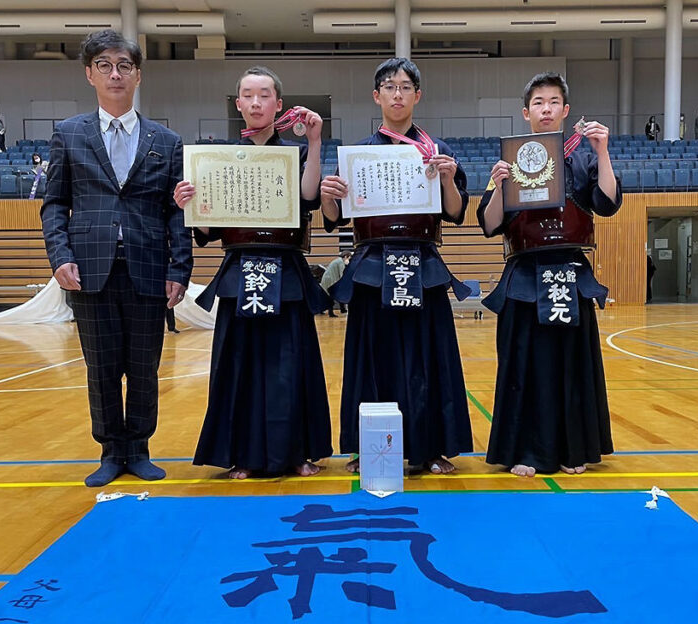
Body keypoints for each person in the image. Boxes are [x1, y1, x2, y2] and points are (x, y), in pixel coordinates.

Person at [41, 29, 192, 487]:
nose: (115, 73)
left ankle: (140, 447)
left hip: (148, 267)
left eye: (124, 65)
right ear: (90, 74)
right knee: (102, 366)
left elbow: (177, 213)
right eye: (104, 65)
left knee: (144, 366)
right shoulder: (68, 134)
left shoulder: (166, 140)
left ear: (138, 75)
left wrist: (179, 269)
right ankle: (110, 450)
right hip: (90, 270)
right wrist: (59, 255)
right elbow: (53, 204)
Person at [173, 65, 331, 480]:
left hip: (287, 269)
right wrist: (186, 201)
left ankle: (296, 452)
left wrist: (314, 142)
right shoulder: (217, 160)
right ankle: (242, 455)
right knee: (239, 365)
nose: (257, 102)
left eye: (265, 96)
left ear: (278, 105)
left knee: (290, 365)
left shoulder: (295, 154)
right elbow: (206, 230)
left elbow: (309, 197)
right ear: (238, 105)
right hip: (239, 270)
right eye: (248, 95)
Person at [320, 57, 473, 475]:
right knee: (372, 358)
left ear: (417, 95)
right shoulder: (358, 154)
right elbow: (333, 219)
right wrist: (329, 193)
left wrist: (447, 177)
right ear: (377, 96)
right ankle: (366, 447)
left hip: (422, 263)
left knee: (429, 356)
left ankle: (431, 447)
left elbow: (457, 214)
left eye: (406, 87)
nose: (397, 94)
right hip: (373, 266)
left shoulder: (438, 152)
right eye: (389, 87)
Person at [477, 71, 622, 477]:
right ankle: (525, 449)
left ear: (565, 110)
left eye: (553, 102)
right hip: (524, 273)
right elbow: (489, 225)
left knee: (570, 366)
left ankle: (570, 449)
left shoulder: (584, 156)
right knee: (524, 367)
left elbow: (608, 204)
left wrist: (604, 150)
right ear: (527, 113)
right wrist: (499, 185)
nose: (546, 108)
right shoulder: (510, 160)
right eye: (538, 102)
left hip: (570, 270)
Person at [320, 250, 351, 317]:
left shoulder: (338, 260)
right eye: (349, 258)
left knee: (331, 294)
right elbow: (342, 274)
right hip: (330, 280)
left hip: (329, 278)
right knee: (331, 295)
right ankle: (331, 313)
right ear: (345, 256)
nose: (349, 260)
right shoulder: (340, 262)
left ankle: (342, 309)